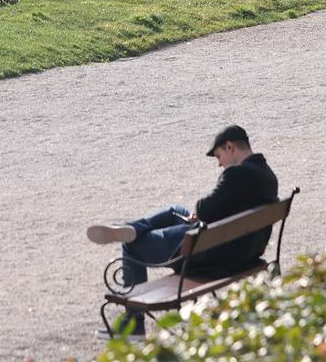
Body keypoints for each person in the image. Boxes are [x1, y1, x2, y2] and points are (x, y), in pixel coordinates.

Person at [86, 126, 279, 304]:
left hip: (209, 258)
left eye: (219, 156)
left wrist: (201, 212)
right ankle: (134, 228)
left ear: (229, 147)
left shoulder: (235, 174)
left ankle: (133, 322)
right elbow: (230, 208)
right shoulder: (268, 175)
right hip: (243, 253)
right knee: (175, 210)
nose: (220, 164)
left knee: (131, 246)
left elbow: (204, 209)